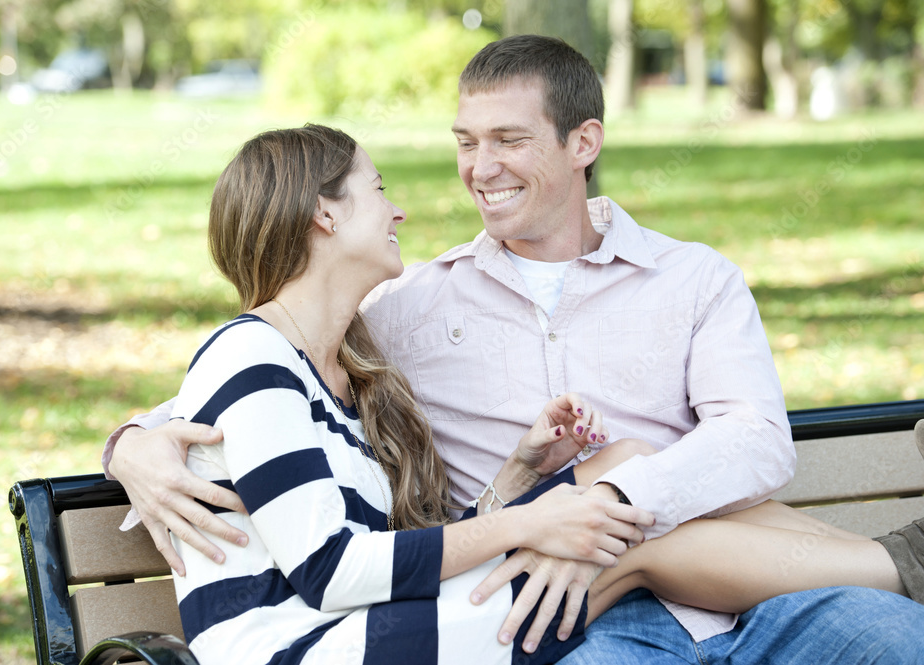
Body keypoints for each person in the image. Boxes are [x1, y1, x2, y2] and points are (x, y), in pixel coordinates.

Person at [105, 36, 924, 664]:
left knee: (894, 639)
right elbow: (244, 394)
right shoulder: (402, 306)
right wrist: (132, 444)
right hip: (560, 615)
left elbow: (754, 442)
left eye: (507, 139)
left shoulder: (694, 279)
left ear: (583, 142)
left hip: (756, 591)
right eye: (466, 141)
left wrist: (596, 506)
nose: (478, 168)